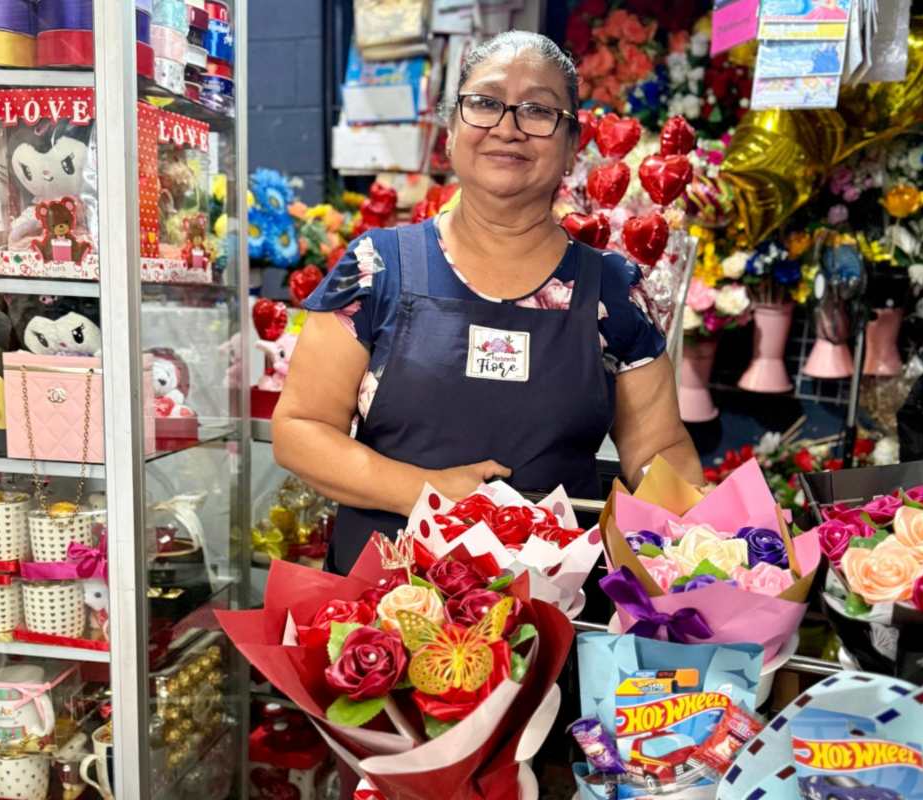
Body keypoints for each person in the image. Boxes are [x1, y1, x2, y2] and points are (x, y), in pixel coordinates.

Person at [273, 31, 704, 574]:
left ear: (572, 146)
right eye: (485, 103)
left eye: (539, 110)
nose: (508, 127)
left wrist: (709, 545)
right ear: (451, 131)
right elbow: (300, 430)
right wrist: (428, 492)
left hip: (549, 613)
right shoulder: (374, 269)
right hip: (383, 616)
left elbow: (658, 448)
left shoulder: (614, 292)